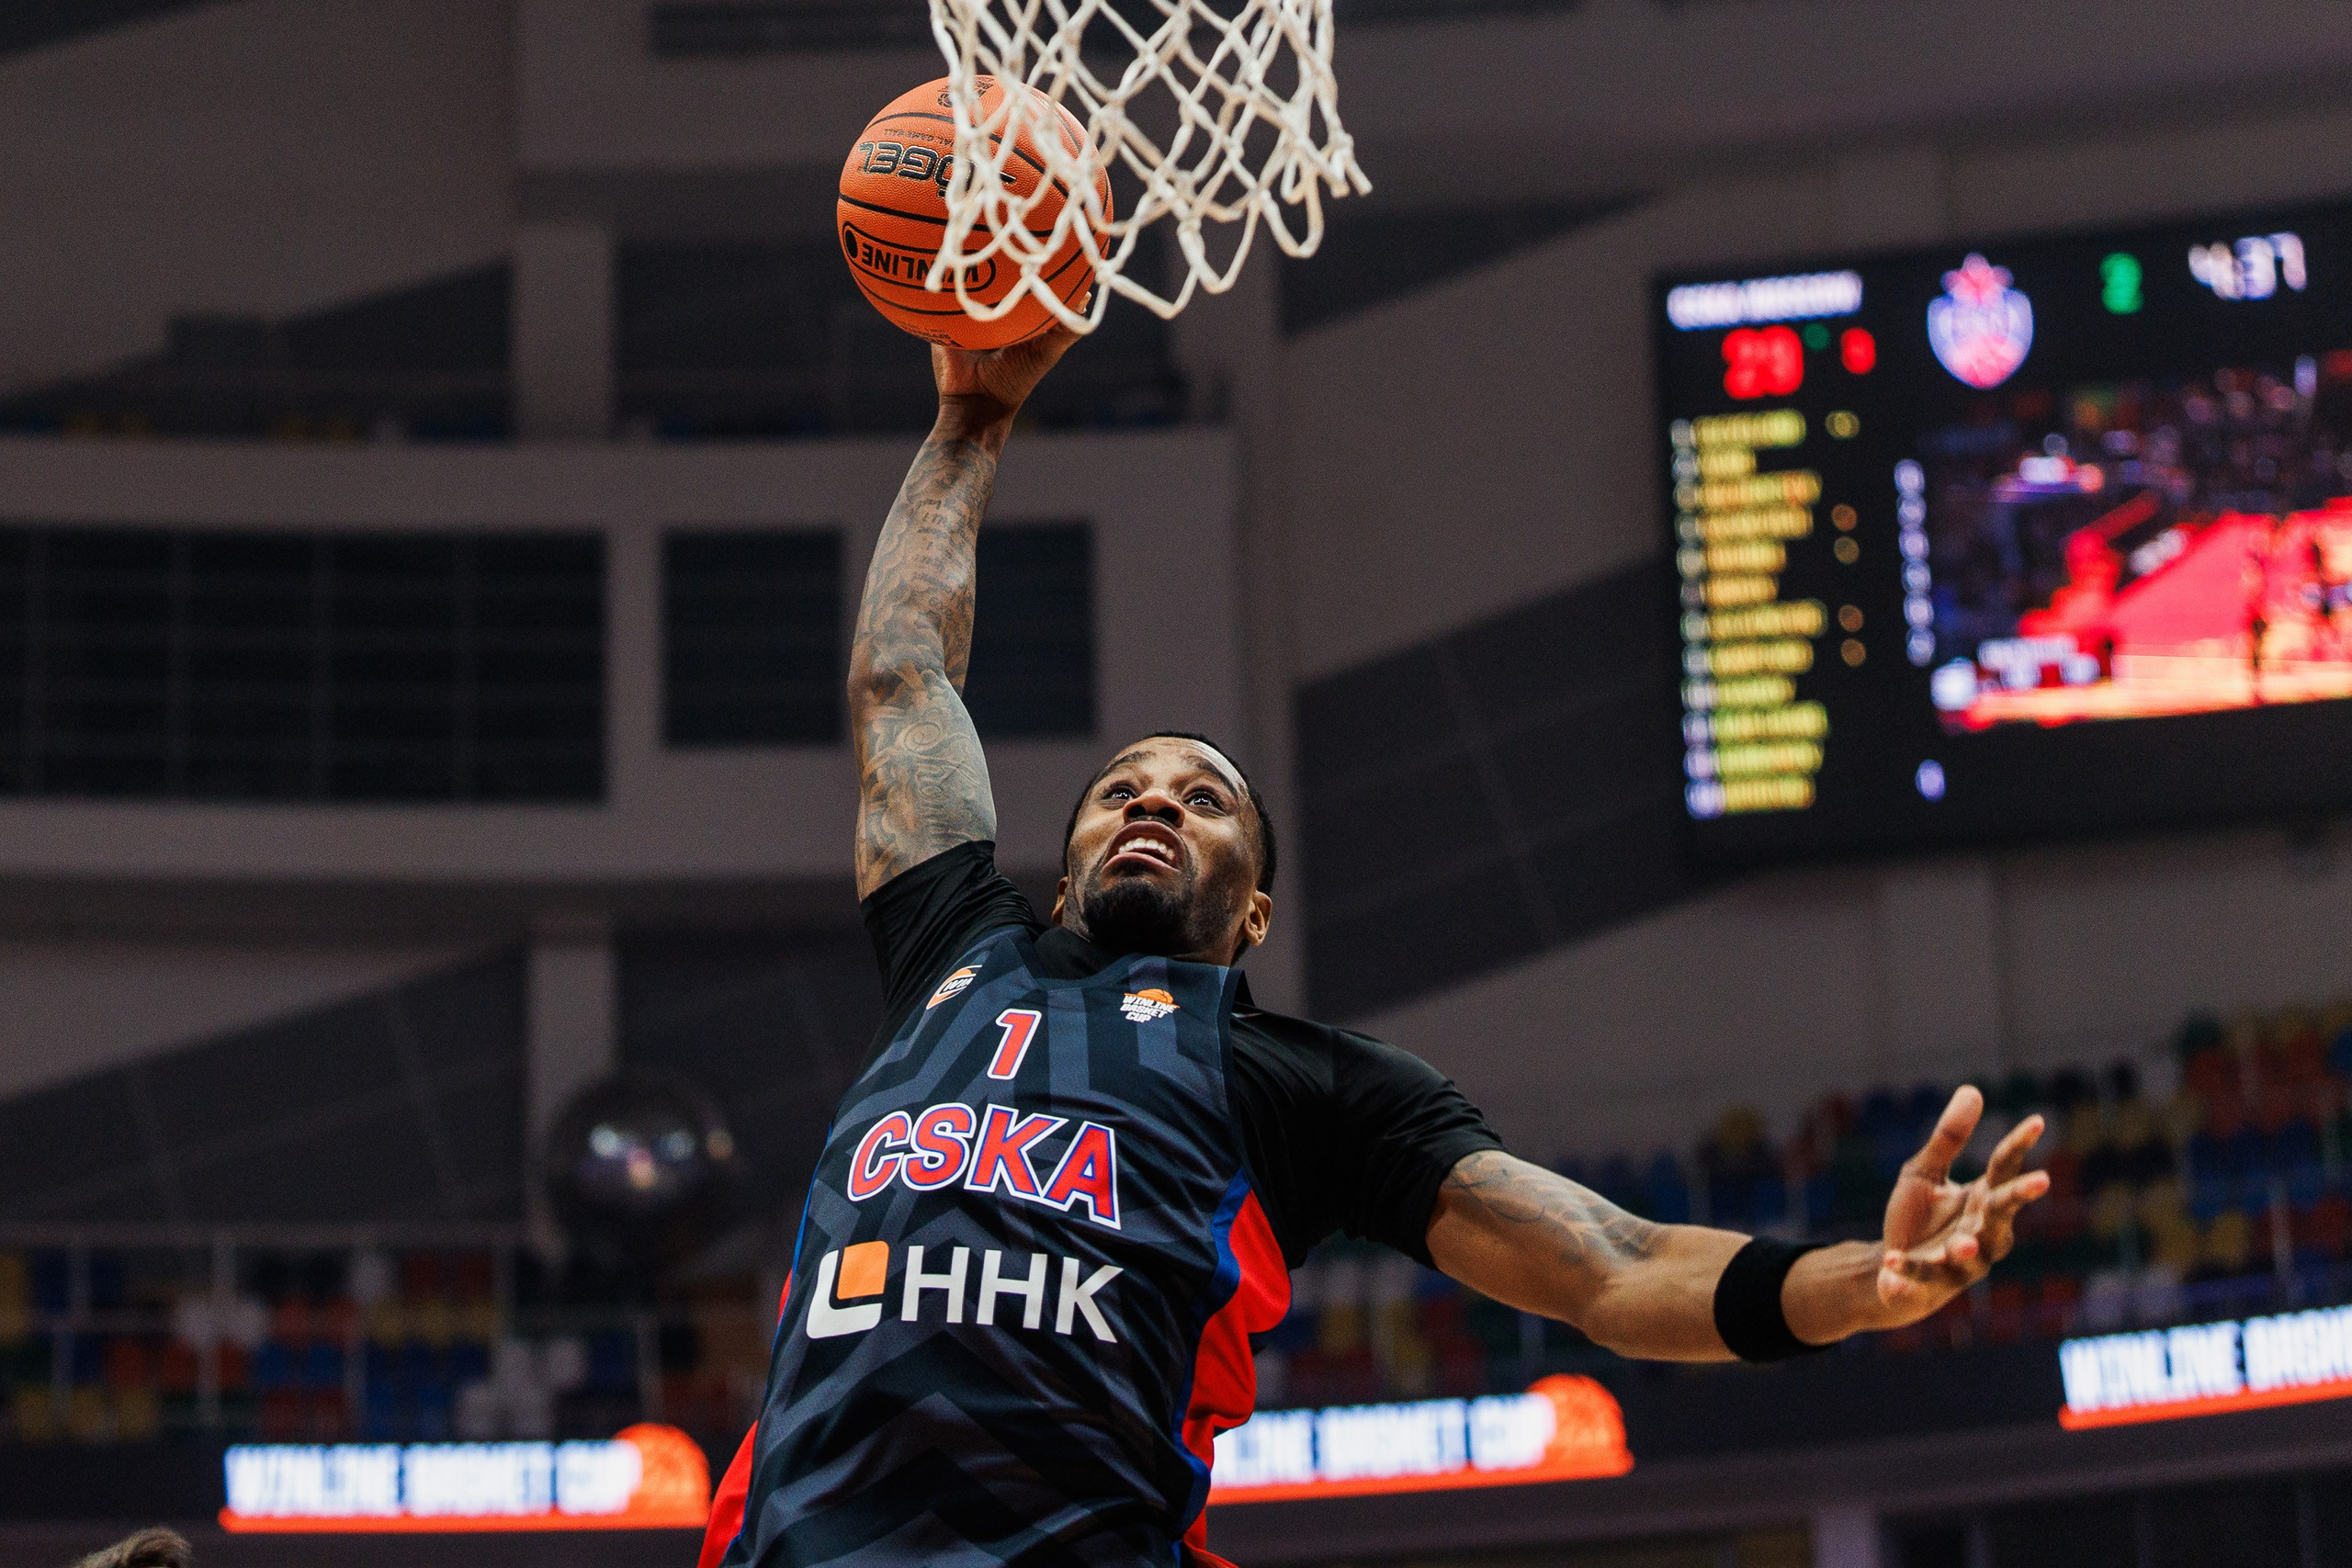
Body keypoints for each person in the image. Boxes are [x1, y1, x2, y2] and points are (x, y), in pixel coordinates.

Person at [701, 331, 2051, 1568]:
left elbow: (1615, 1265)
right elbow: (903, 673)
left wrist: (1860, 1288)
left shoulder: (1306, 1089)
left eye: (1205, 795)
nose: (1155, 799)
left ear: (1256, 916)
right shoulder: (959, 948)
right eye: (1121, 788)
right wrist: (972, 413)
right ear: (1060, 879)